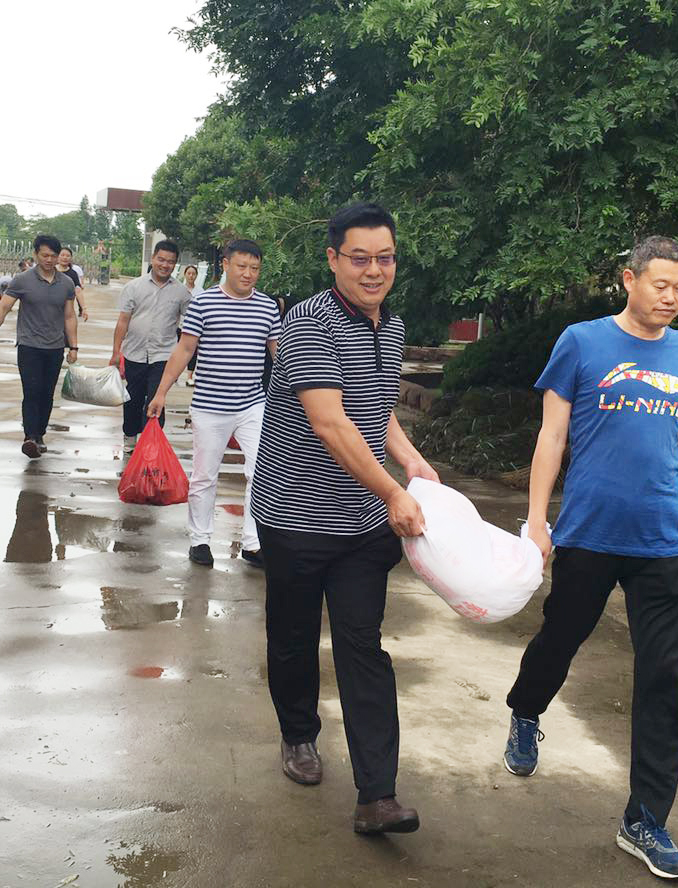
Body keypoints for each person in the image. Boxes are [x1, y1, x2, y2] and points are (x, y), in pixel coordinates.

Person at [502, 236, 678, 881]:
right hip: (589, 533)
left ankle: (645, 820)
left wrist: (668, 496)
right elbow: (552, 434)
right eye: (660, 285)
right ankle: (526, 710)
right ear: (629, 280)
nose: (671, 297)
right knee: (561, 637)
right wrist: (537, 521)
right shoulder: (581, 342)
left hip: (662, 541)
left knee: (664, 678)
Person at [248, 202, 439, 836]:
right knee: (294, 636)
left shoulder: (393, 326)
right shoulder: (308, 323)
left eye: (385, 258)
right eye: (360, 258)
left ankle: (377, 795)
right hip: (295, 515)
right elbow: (330, 422)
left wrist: (412, 461)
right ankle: (299, 733)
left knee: (363, 645)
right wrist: (394, 492)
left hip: (360, 525)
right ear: (333, 259)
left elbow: (375, 410)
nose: (373, 269)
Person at [146, 239, 280, 568]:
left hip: (252, 405)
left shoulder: (267, 307)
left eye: (255, 268)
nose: (248, 274)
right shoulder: (204, 304)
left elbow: (279, 354)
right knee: (205, 476)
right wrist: (161, 393)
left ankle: (253, 543)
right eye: (242, 266)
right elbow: (184, 350)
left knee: (261, 472)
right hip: (209, 407)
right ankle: (200, 540)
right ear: (226, 265)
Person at [0, 234, 79, 459]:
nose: (49, 260)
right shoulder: (22, 280)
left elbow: (69, 316)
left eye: (53, 256)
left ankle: (40, 434)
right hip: (29, 345)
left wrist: (73, 346)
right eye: (44, 255)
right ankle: (30, 437)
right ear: (36, 254)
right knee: (32, 391)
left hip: (55, 347)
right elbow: (3, 308)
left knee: (47, 393)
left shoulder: (66, 283)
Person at [110, 240, 191, 453]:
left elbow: (192, 321)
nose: (165, 265)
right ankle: (130, 436)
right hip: (135, 353)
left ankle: (151, 444)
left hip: (164, 356)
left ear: (175, 264)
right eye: (161, 259)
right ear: (153, 258)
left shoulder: (181, 293)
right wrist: (116, 352)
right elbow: (123, 321)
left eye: (170, 262)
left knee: (157, 398)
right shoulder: (133, 287)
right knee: (133, 399)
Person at [180, 265, 203, 386]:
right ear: (185, 274)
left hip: (194, 326)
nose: (191, 276)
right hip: (180, 325)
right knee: (177, 350)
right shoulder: (179, 289)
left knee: (192, 351)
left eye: (193, 274)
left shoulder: (200, 292)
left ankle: (189, 376)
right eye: (189, 273)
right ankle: (175, 374)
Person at [57, 248, 89, 321]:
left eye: (68, 256)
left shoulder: (73, 274)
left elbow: (78, 291)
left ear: (71, 258)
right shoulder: (51, 271)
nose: (65, 257)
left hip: (66, 310)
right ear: (57, 256)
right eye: (62, 255)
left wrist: (84, 308)